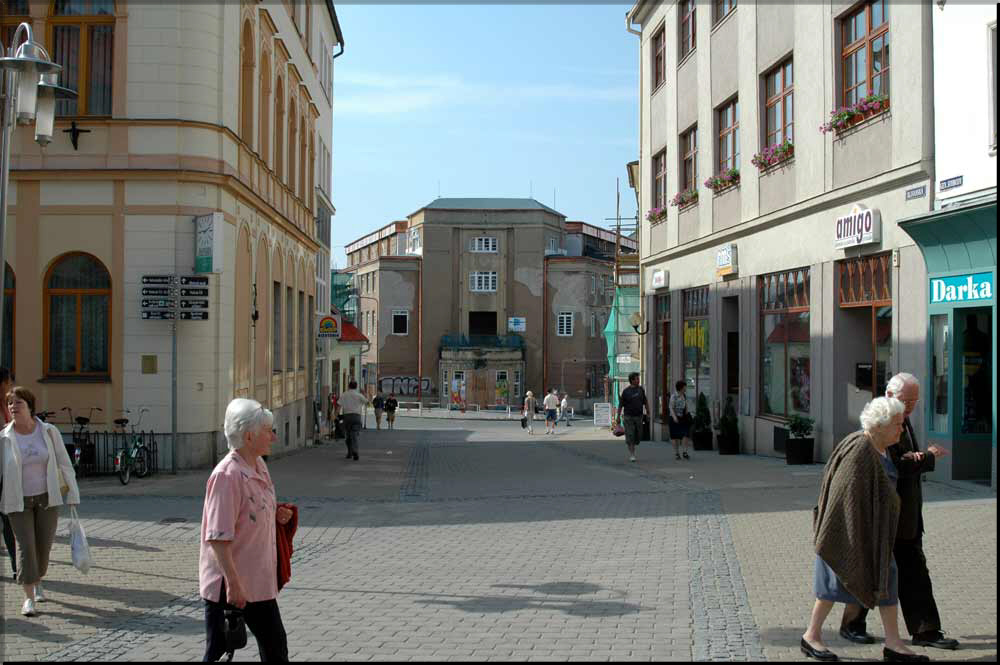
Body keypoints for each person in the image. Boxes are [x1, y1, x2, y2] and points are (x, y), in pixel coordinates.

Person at [800, 396, 929, 663]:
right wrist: (850, 537)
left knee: (887, 581)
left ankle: (893, 644)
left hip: (874, 536)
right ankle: (811, 636)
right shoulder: (860, 449)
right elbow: (842, 499)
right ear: (879, 425)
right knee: (831, 588)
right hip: (845, 535)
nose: (902, 429)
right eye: (897, 424)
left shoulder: (882, 447)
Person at [840, 373, 957, 650]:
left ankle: (926, 631)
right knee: (872, 571)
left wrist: (917, 456)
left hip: (906, 514)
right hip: (884, 514)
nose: (911, 406)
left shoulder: (901, 416)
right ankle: (851, 624)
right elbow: (893, 465)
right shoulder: (880, 419)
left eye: (916, 401)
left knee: (914, 571)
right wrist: (926, 457)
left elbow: (902, 460)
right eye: (907, 400)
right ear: (890, 395)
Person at [200, 398, 294, 662]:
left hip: (258, 582)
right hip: (230, 585)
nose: (273, 437)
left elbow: (248, 511)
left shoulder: (258, 466)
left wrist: (276, 514)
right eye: (268, 431)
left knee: (276, 649)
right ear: (249, 436)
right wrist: (233, 584)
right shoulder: (227, 476)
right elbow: (218, 537)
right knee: (218, 654)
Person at [1, 386, 81, 618]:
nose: (13, 407)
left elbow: (64, 463)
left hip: (47, 498)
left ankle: (38, 580)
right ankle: (28, 598)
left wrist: (73, 494)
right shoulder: (4, 437)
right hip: (18, 501)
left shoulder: (48, 431)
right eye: (10, 403)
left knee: (43, 549)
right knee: (26, 548)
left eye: (18, 403)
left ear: (30, 406)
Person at [1, 367, 17, 579]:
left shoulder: (7, 405)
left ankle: (15, 566)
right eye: (8, 382)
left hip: (6, 471)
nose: (10, 386)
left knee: (8, 520)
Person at [617, 372, 650, 463]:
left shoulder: (641, 390)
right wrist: (618, 416)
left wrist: (648, 413)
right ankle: (632, 454)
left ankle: (632, 445)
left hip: (639, 417)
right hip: (628, 417)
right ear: (632, 380)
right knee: (630, 435)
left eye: (638, 378)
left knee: (639, 436)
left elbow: (645, 402)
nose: (638, 380)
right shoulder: (626, 391)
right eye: (637, 379)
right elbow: (620, 405)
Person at [338, 381, 367, 461]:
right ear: (356, 387)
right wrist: (364, 393)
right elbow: (367, 402)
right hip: (356, 417)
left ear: (348, 386)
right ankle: (355, 451)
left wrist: (336, 415)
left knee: (348, 435)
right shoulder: (359, 395)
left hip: (347, 417)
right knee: (354, 435)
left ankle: (350, 452)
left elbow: (339, 405)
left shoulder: (344, 394)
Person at [668, 380, 693, 461]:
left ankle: (685, 452)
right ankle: (677, 453)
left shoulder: (684, 395)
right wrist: (674, 417)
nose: (685, 388)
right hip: (674, 418)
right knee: (675, 437)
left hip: (683, 418)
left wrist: (688, 414)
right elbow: (671, 408)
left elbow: (686, 406)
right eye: (685, 387)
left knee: (686, 434)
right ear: (681, 387)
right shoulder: (674, 396)